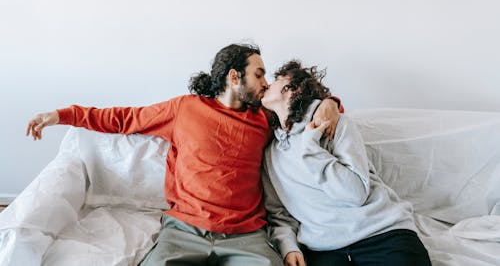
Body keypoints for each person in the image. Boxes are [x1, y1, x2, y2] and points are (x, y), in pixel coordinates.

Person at [26, 44, 343, 266]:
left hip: (246, 235)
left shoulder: (264, 116)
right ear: (234, 77)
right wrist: (62, 114)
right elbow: (122, 118)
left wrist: (330, 102)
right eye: (259, 75)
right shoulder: (185, 109)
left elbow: (304, 106)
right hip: (184, 230)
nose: (266, 83)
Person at [260, 60, 432, 266]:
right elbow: (279, 213)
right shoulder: (272, 154)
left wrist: (311, 148)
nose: (268, 83)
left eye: (277, 79)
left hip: (382, 234)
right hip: (325, 250)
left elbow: (355, 194)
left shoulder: (334, 125)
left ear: (293, 89)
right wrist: (289, 247)